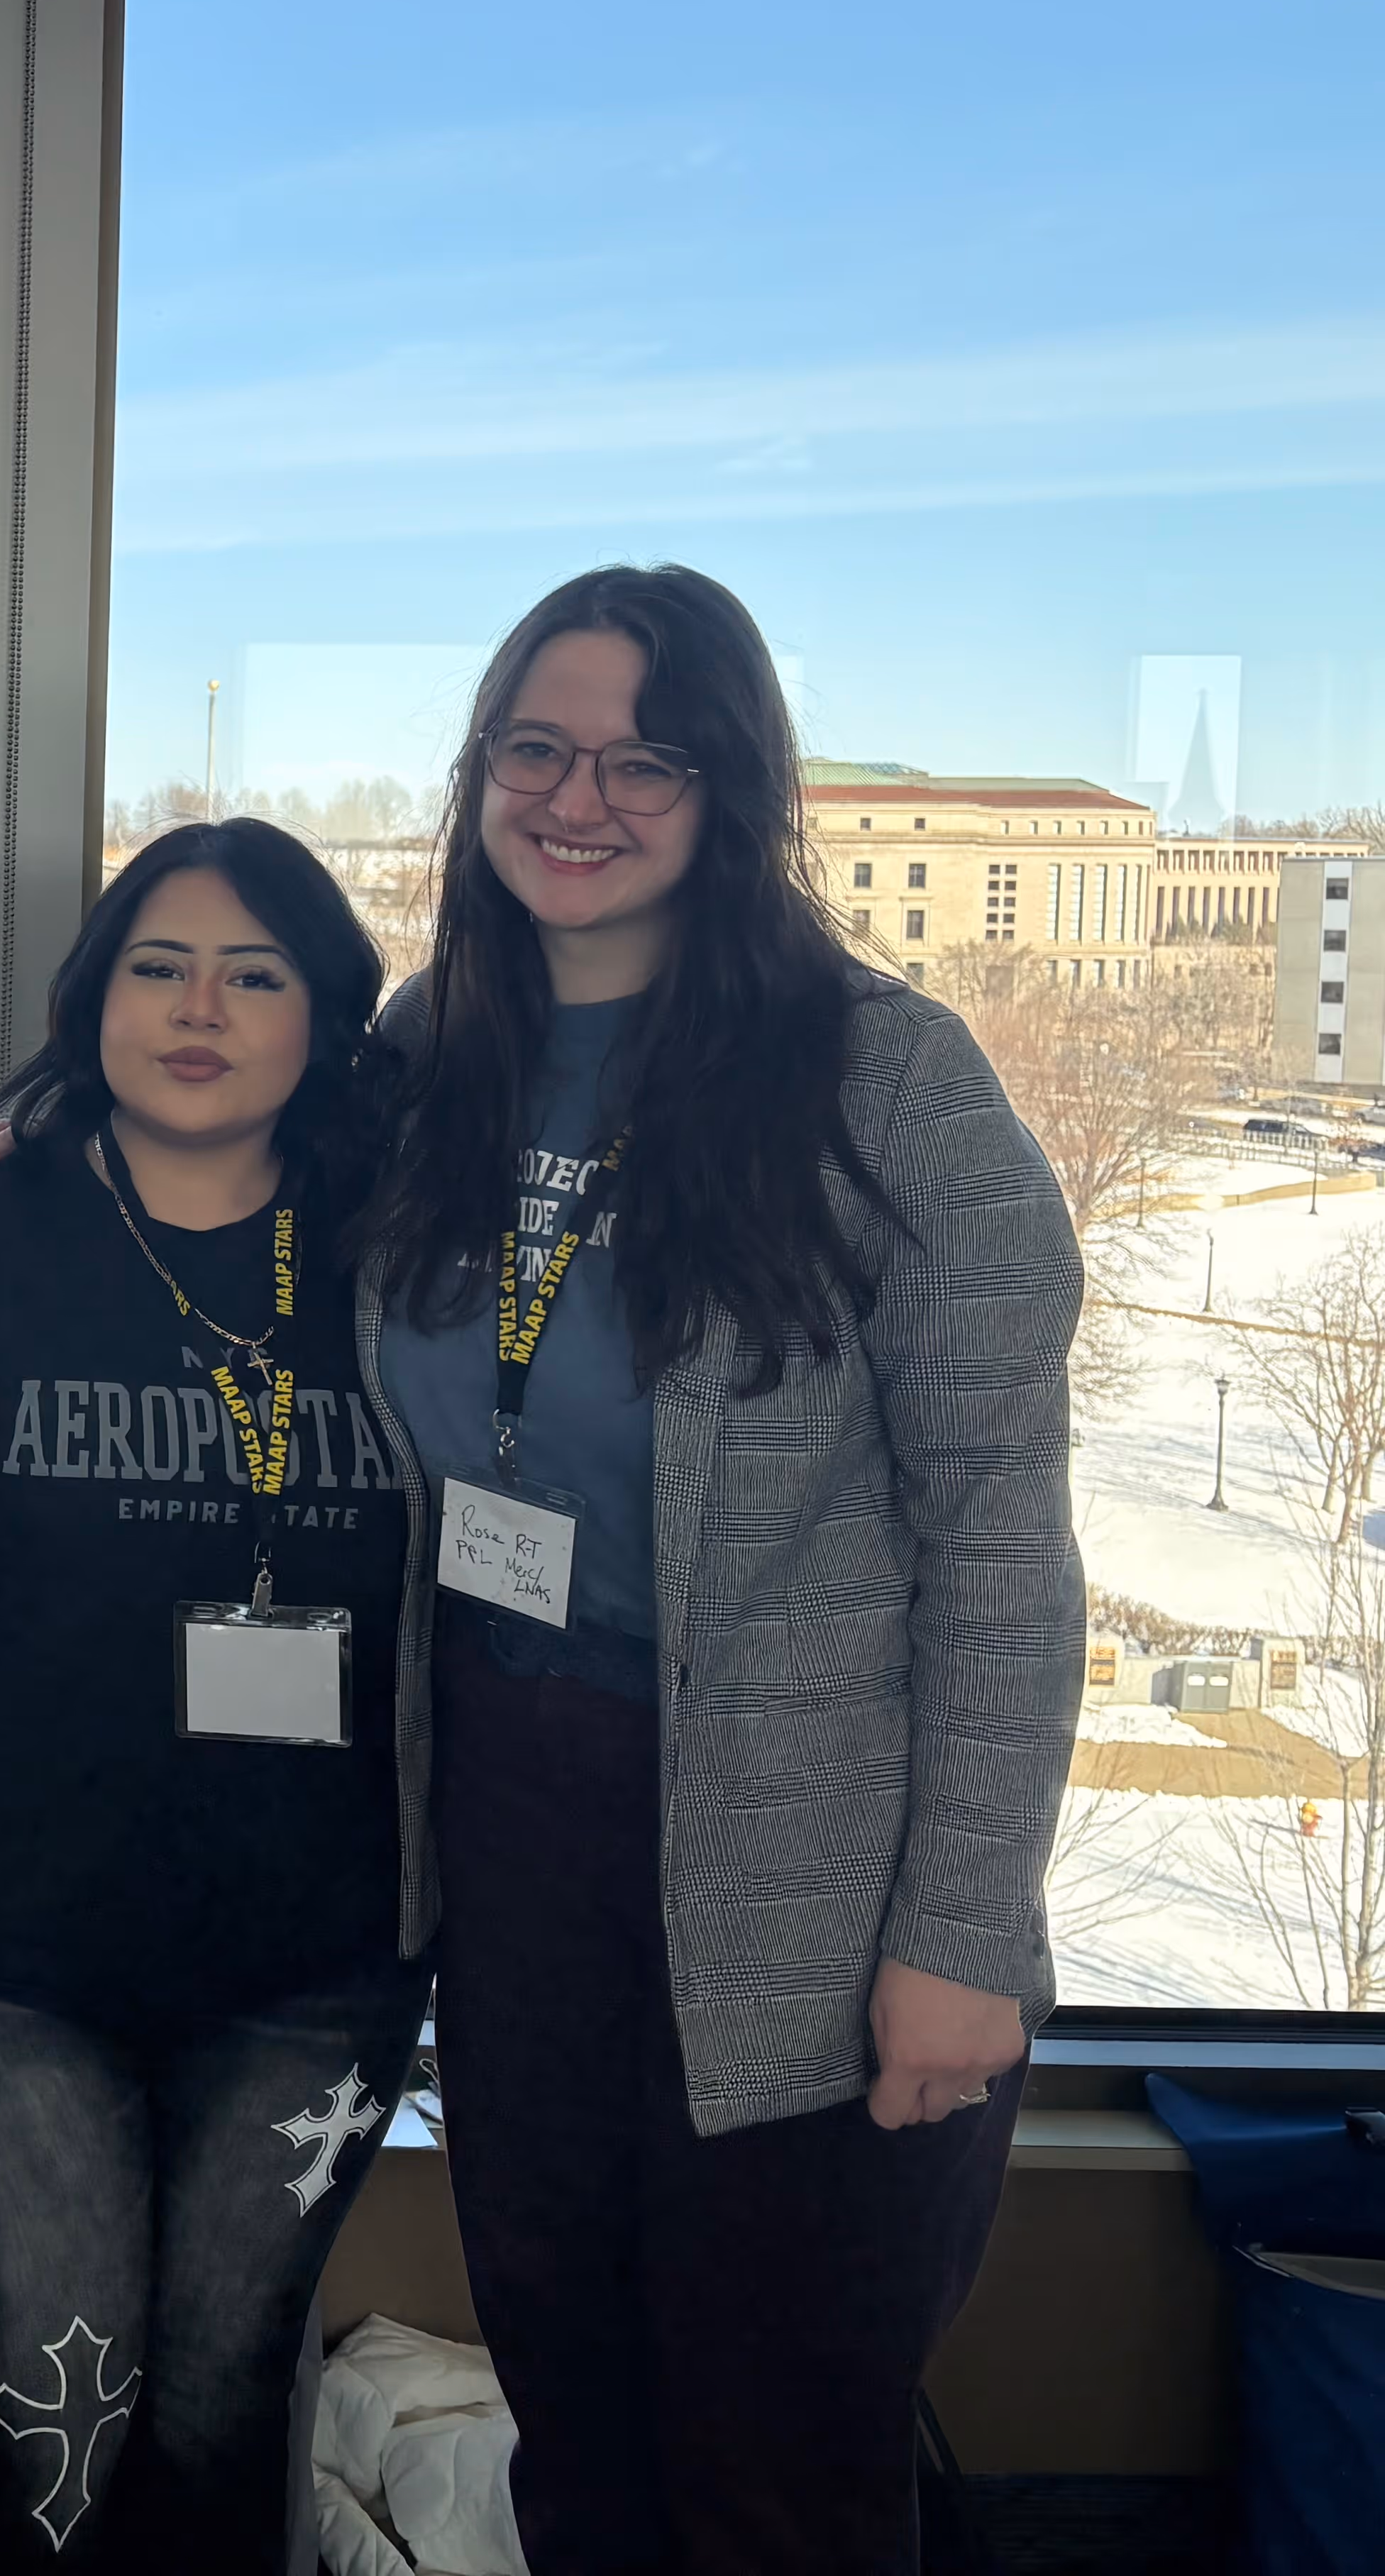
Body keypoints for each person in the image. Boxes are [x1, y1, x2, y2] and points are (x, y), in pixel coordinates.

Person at [349, 567, 1076, 2570]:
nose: (579, 797)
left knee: (782, 2458)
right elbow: (182, 1090)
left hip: (812, 1865)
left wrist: (963, 1933)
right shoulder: (433, 1050)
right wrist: (21, 1116)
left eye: (646, 758)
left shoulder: (886, 1078)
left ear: (730, 787)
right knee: (574, 2405)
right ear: (481, 766)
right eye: (538, 746)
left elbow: (1002, 1545)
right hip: (514, 1818)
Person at [0, 819, 426, 2570]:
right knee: (40, 2426)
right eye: (157, 968)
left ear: (327, 1015)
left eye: (254, 973)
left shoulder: (407, 1259)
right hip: (5, 1957)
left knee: (221, 2423)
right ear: (93, 1006)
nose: (199, 1010)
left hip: (322, 1959)